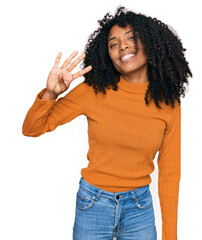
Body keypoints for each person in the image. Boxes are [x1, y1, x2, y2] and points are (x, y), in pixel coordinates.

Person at [22, 6, 192, 240]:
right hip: (93, 205)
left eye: (131, 38)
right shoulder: (92, 91)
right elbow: (31, 129)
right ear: (107, 54)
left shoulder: (168, 104)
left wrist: (170, 236)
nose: (122, 46)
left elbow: (170, 174)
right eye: (113, 44)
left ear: (150, 43)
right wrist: (51, 94)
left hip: (139, 210)